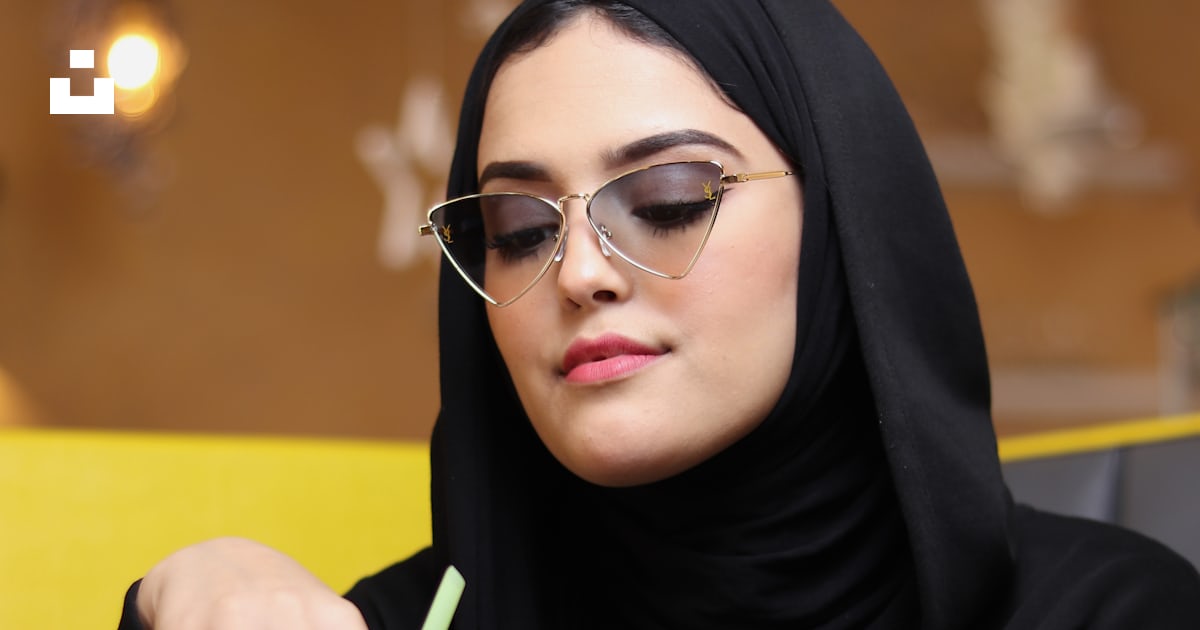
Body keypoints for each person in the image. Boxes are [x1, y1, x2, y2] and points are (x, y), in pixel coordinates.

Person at [118, 1, 1200, 628]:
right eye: (519, 227)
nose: (581, 271)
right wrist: (186, 584)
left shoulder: (1103, 615)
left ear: (841, 232)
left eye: (670, 201)